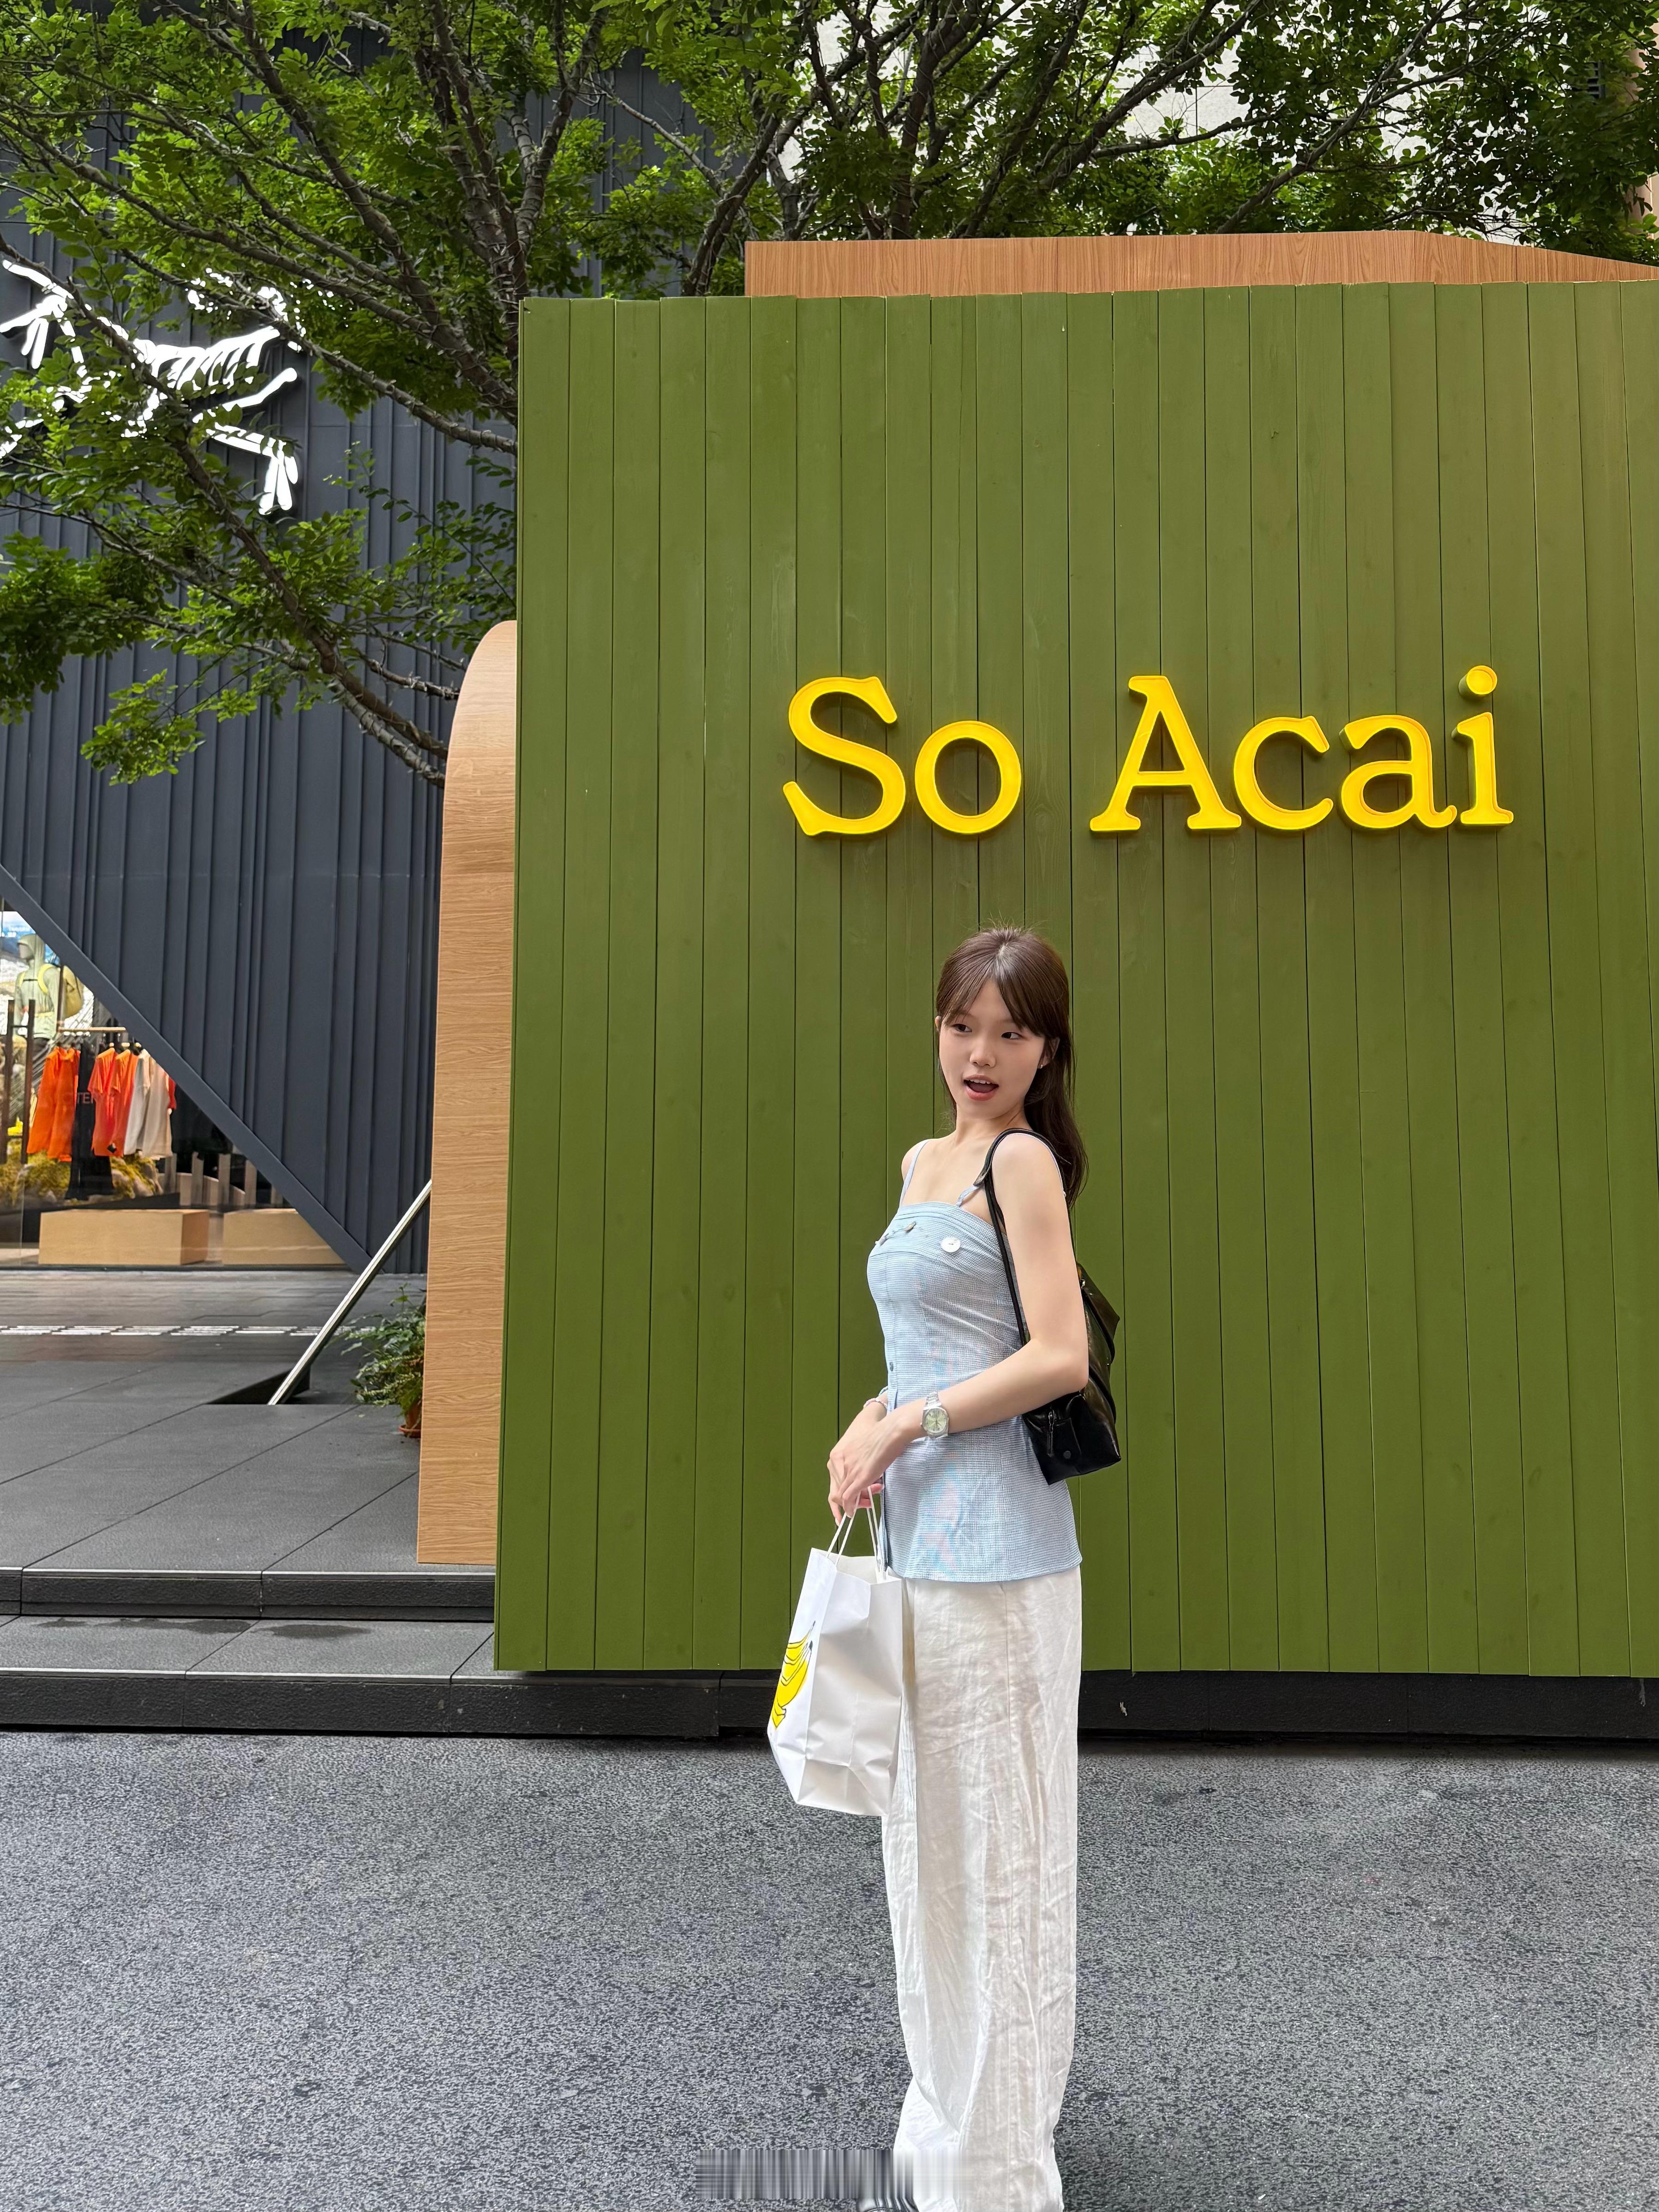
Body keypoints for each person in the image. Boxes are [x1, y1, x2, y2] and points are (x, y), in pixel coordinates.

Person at [827, 925, 1090, 2212]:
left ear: (1045, 1050)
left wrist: (911, 1424)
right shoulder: (920, 1160)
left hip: (999, 1558)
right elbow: (930, 1344)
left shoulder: (1018, 1162)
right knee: (927, 1845)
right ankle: (947, 2122)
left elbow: (1058, 1356)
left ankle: (996, 2165)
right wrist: (872, 1416)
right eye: (961, 1026)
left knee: (1000, 1855)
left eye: (1009, 1032)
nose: (979, 1054)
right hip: (917, 1542)